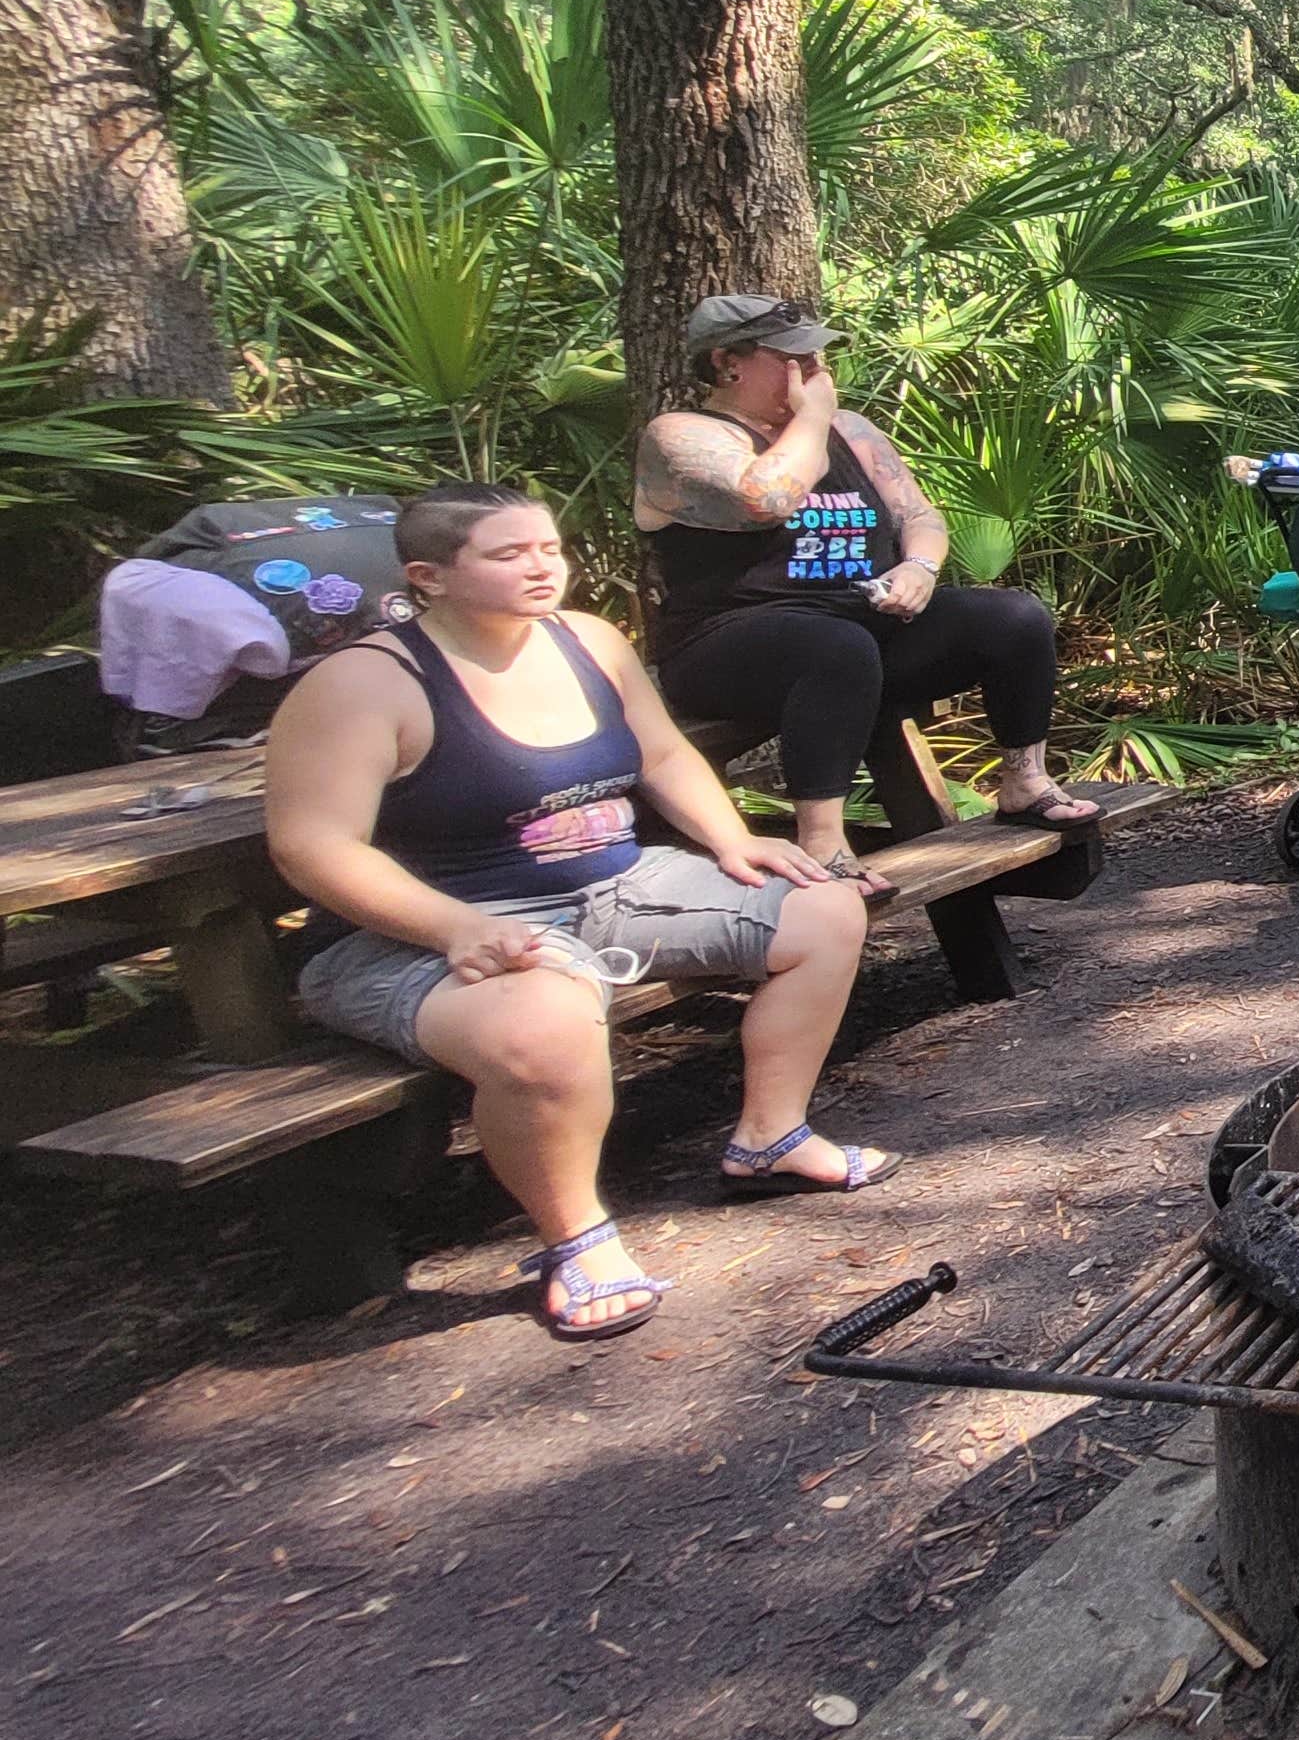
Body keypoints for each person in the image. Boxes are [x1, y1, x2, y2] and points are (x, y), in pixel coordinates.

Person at [265, 486, 894, 1344]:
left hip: (612, 887)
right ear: (428, 576)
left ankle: (770, 1137)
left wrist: (732, 838)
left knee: (825, 910)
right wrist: (454, 927)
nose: (542, 568)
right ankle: (577, 1239)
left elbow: (661, 752)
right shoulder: (365, 684)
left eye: (550, 549)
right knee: (548, 1018)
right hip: (414, 933)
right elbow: (313, 847)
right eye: (508, 554)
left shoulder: (589, 641)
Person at [633, 292, 1101, 867]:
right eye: (794, 359)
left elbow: (918, 515)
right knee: (834, 648)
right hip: (730, 641)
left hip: (860, 627)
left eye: (817, 357)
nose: (816, 372)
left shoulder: (852, 431)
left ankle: (1025, 781)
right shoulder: (681, 436)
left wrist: (918, 568)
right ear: (728, 363)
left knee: (1012, 617)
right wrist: (811, 418)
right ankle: (824, 843)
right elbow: (768, 498)